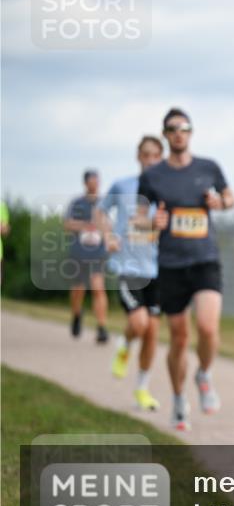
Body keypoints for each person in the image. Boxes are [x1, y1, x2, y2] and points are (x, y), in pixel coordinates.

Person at [138, 108, 234, 431]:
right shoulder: (153, 176)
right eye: (172, 129)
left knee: (207, 327)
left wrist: (221, 204)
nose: (178, 133)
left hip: (205, 258)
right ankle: (179, 399)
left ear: (191, 132)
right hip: (170, 264)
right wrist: (152, 222)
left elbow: (230, 197)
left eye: (184, 127)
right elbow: (138, 217)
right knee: (179, 338)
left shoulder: (208, 167)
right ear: (165, 135)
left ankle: (204, 374)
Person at [99, 135, 165, 411]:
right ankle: (125, 343)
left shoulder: (168, 190)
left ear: (161, 158)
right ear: (138, 157)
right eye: (145, 155)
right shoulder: (122, 186)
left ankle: (142, 389)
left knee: (152, 332)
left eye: (154, 156)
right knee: (139, 324)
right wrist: (108, 236)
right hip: (128, 267)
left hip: (158, 269)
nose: (149, 160)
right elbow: (102, 213)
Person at [64, 170, 110, 343]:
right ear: (85, 183)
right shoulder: (76, 203)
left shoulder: (103, 204)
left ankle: (102, 327)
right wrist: (86, 225)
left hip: (97, 253)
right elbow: (67, 224)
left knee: (98, 288)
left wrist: (107, 236)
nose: (95, 184)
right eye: (92, 181)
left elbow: (108, 225)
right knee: (78, 289)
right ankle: (76, 314)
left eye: (97, 181)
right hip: (78, 252)